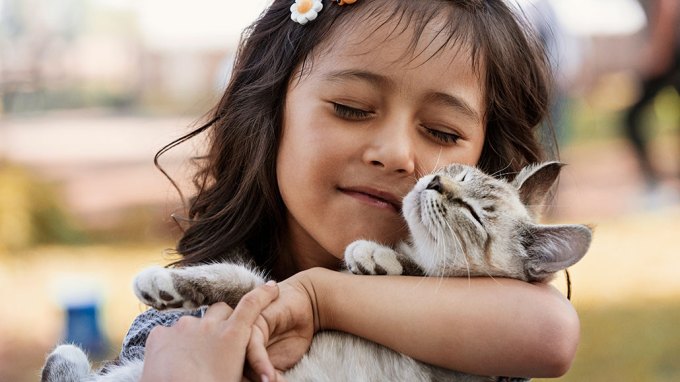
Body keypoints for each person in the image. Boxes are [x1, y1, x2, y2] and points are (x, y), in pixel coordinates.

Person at [122, 1, 580, 381]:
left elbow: (552, 333)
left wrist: (320, 299)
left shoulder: (480, 334)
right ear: (269, 110)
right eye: (351, 108)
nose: (397, 154)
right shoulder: (180, 331)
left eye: (441, 133)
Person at [623, 0, 680, 190]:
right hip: (671, 55)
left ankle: (653, 180)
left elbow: (667, 6)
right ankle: (654, 178)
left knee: (633, 118)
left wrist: (658, 52)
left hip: (671, 58)